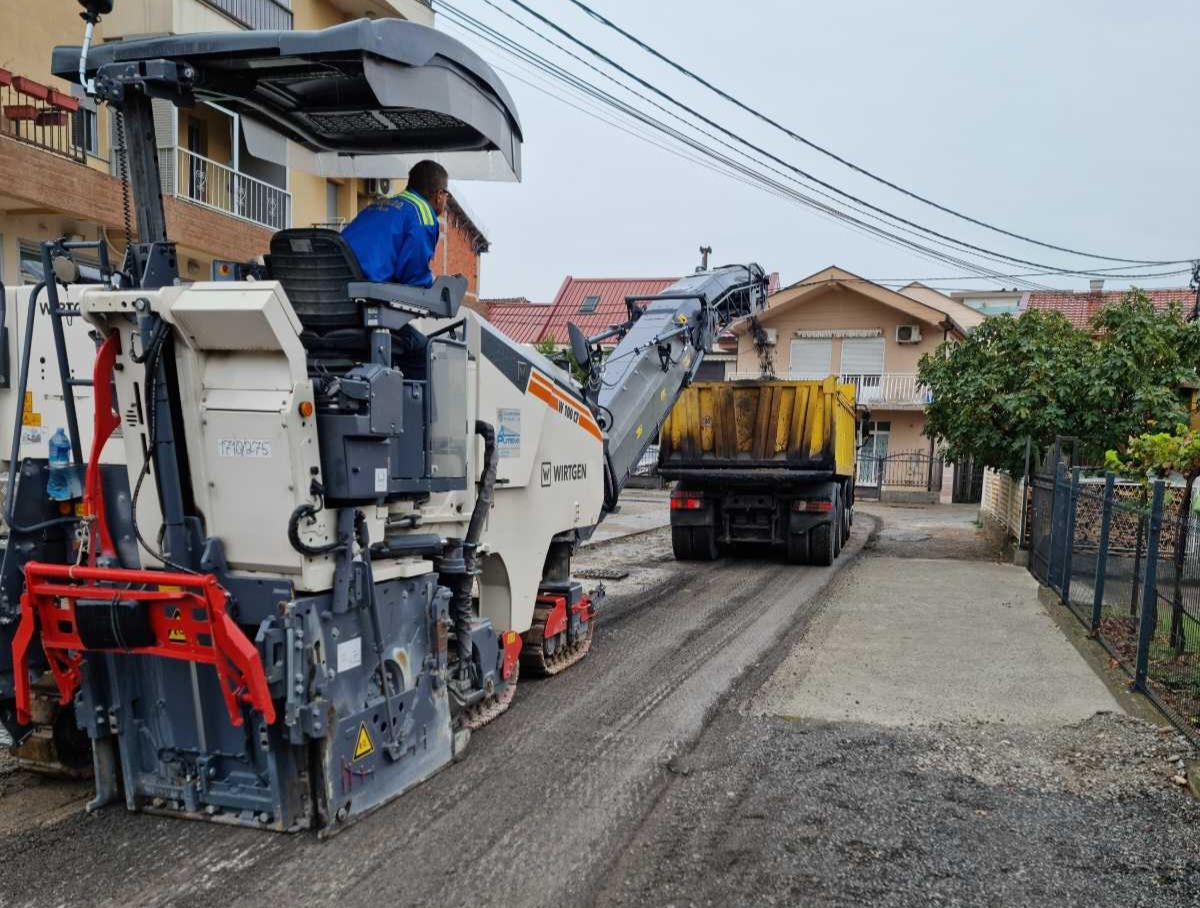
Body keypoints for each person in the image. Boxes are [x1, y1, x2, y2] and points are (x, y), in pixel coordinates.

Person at [342, 159, 449, 287]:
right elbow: (414, 279)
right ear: (439, 195)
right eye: (447, 195)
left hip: (332, 277)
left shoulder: (378, 204)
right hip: (362, 289)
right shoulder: (422, 215)